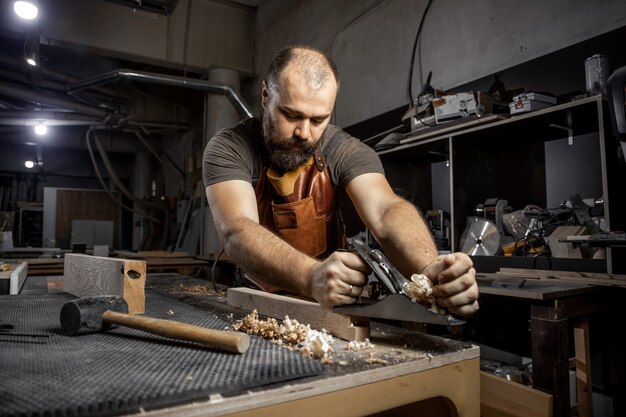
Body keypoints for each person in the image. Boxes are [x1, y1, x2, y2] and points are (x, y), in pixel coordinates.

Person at [203, 45, 478, 317]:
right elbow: (237, 230)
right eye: (292, 115)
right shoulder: (230, 148)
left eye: (318, 119)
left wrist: (431, 269)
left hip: (329, 309)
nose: (304, 133)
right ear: (266, 96)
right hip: (255, 302)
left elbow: (385, 210)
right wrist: (311, 276)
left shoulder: (343, 149)